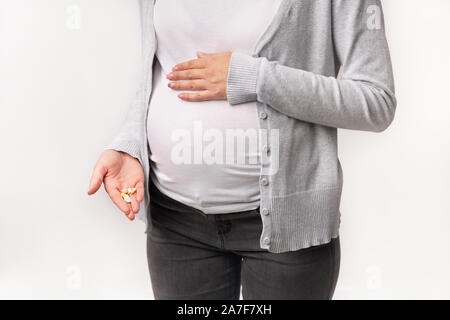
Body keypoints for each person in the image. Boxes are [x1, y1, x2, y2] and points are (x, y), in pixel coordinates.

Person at [88, 0, 396, 300]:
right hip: (175, 223)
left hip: (287, 232)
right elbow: (161, 72)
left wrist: (254, 77)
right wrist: (130, 145)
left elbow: (375, 100)